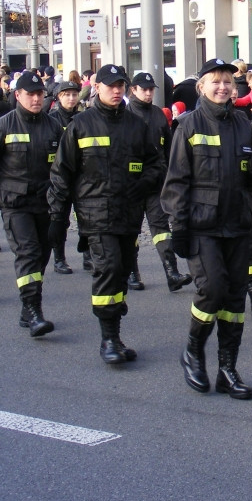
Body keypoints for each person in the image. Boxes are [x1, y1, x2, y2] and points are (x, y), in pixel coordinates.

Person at [162, 59, 252, 399]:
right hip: (203, 226)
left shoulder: (242, 123)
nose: (223, 87)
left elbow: (249, 180)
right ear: (201, 87)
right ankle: (193, 351)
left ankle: (228, 369)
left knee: (234, 299)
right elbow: (176, 181)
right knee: (212, 289)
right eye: (215, 81)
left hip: (238, 224)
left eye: (228, 81)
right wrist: (178, 227)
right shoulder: (188, 125)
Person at [49, 65, 163, 358]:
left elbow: (156, 163)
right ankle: (108, 340)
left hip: (129, 213)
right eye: (111, 85)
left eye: (120, 85)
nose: (116, 90)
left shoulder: (136, 124)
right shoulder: (81, 124)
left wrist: (144, 183)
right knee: (109, 268)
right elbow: (62, 172)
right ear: (96, 87)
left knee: (122, 270)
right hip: (95, 213)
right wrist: (57, 216)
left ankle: (116, 332)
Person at [0, 71, 63, 338]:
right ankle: (34, 310)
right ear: (18, 95)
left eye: (39, 94)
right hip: (15, 203)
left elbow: (64, 167)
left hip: (45, 203)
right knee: (28, 253)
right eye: (30, 95)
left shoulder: (53, 126)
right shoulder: (3, 126)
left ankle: (28, 307)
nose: (36, 99)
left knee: (42, 255)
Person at [125, 71, 193, 292]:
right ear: (133, 90)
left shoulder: (158, 114)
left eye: (150, 90)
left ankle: (172, 273)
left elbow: (169, 148)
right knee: (131, 230)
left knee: (161, 229)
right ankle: (132, 273)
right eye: (144, 89)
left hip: (156, 182)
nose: (148, 93)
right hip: (133, 185)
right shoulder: (125, 115)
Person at [46, 79, 82, 275]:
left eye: (74, 94)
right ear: (59, 97)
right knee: (59, 218)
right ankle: (59, 258)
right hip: (59, 177)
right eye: (66, 95)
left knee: (85, 218)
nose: (71, 98)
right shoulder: (51, 120)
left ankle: (89, 256)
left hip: (81, 177)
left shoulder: (83, 118)